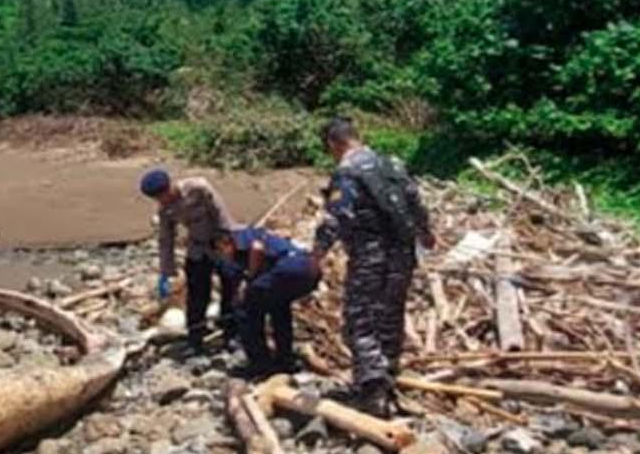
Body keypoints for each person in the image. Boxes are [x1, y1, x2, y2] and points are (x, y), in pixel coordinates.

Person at [312, 118, 436, 415]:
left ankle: (373, 390)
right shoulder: (392, 163)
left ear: (333, 143)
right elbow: (415, 202)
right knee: (391, 315)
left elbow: (336, 216)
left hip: (370, 256)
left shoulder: (347, 171)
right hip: (403, 254)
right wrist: (425, 233)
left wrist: (317, 252)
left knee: (361, 319)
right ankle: (390, 374)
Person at [140, 166, 242, 352]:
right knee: (196, 294)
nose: (163, 199)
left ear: (170, 185)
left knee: (230, 288)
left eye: (164, 194)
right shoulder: (165, 210)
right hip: (198, 247)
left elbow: (221, 214)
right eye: (158, 198)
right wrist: (166, 272)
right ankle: (195, 337)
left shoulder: (198, 188)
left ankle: (231, 334)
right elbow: (166, 239)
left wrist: (228, 243)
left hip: (221, 241)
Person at [213, 225, 318, 378]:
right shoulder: (253, 239)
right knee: (278, 307)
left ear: (224, 242)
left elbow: (257, 248)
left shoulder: (242, 237)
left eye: (221, 250)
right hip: (308, 269)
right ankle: (285, 360)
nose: (223, 254)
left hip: (289, 267)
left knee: (245, 308)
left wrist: (250, 280)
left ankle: (260, 363)